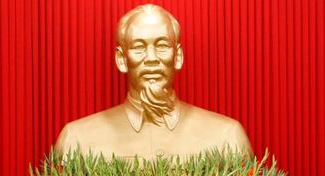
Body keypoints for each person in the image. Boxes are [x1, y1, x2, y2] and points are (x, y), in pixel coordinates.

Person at [54, 4, 252, 160]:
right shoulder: (77, 140)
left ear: (178, 56)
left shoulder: (227, 137)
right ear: (122, 59)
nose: (151, 58)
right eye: (138, 47)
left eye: (162, 45)